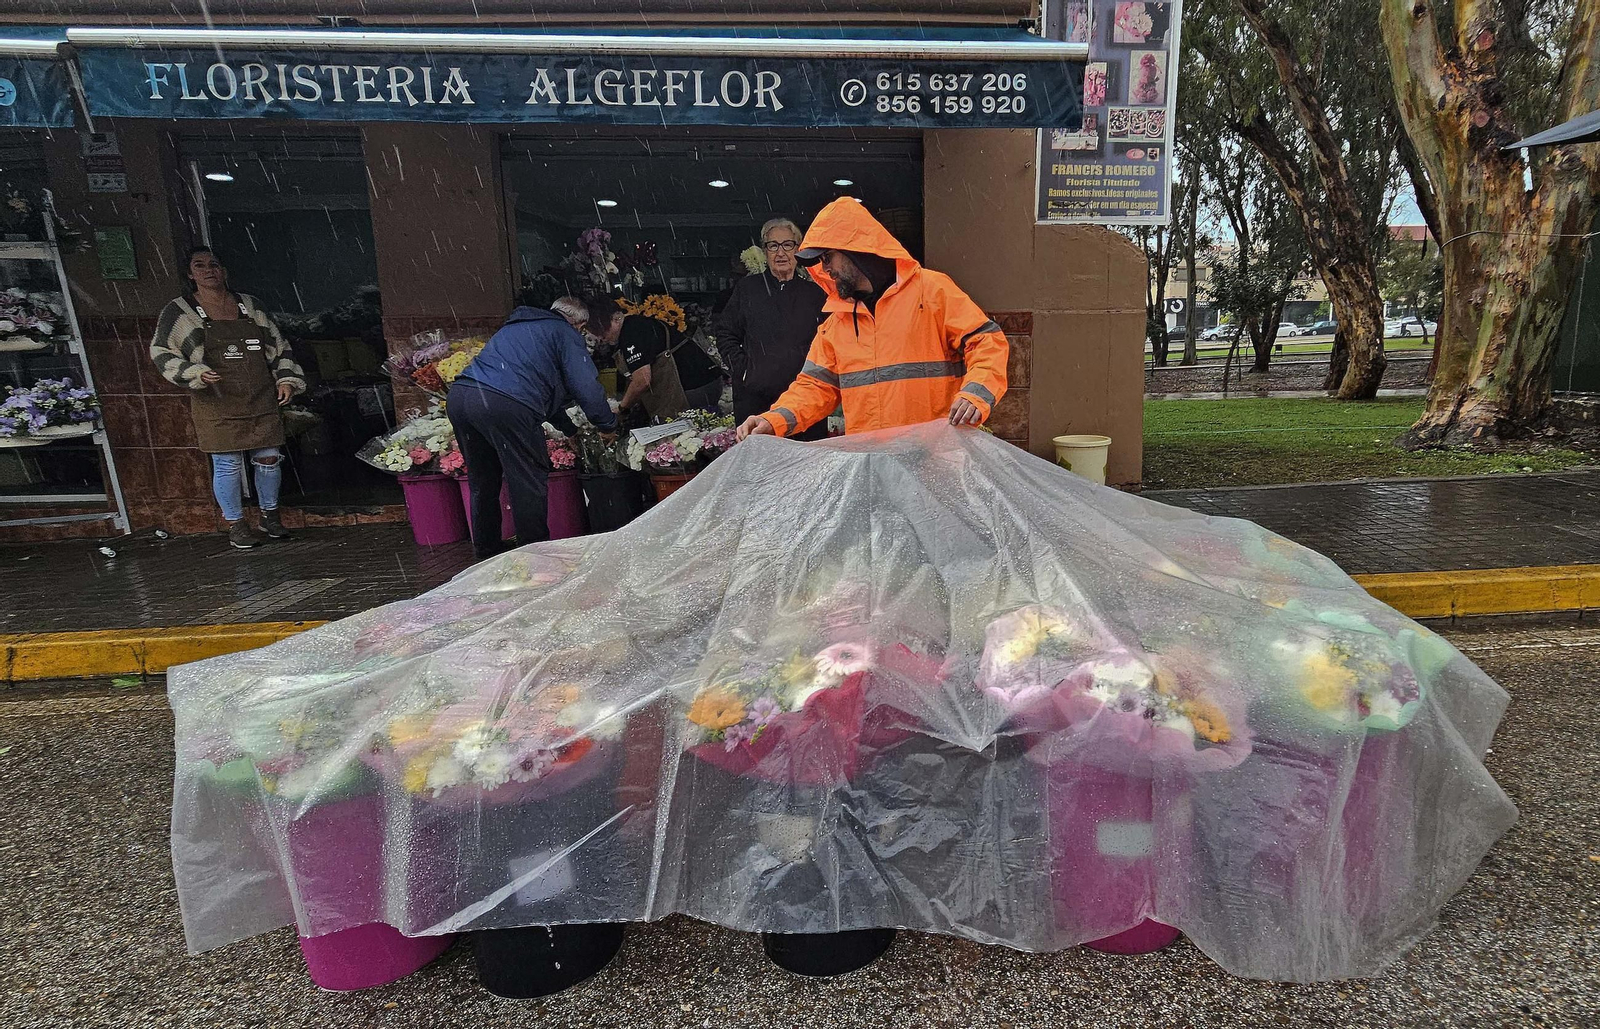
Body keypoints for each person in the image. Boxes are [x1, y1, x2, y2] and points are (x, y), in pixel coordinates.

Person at [736, 198, 1008, 442]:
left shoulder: (932, 291)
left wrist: (975, 394)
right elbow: (815, 387)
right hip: (871, 462)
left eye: (827, 257)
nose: (825, 269)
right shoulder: (838, 319)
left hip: (932, 458)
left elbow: (986, 342)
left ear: (854, 250)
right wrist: (773, 420)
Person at [150, 246, 305, 550]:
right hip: (216, 400)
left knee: (269, 459)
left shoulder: (250, 305)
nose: (209, 270)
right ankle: (236, 525)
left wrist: (286, 379)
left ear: (224, 271)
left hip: (260, 395)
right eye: (200, 265)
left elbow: (278, 346)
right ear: (190, 274)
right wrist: (195, 372)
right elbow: (161, 351)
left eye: (214, 264)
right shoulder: (179, 311)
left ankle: (270, 516)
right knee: (227, 464)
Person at [448, 304, 617, 562]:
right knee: (527, 480)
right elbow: (585, 386)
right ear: (579, 324)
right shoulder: (564, 332)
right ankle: (535, 556)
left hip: (461, 397)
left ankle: (486, 551)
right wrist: (607, 424)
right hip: (504, 403)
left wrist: (569, 429)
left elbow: (536, 387)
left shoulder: (514, 328)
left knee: (483, 481)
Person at [715, 218, 829, 442]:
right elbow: (725, 333)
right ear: (765, 251)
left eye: (788, 245)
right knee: (760, 461)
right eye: (773, 245)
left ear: (798, 250)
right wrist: (744, 370)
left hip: (804, 400)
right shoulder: (748, 289)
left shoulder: (815, 293)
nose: (781, 253)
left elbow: (828, 341)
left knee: (805, 461)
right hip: (756, 400)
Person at [589, 298, 725, 421]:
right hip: (706, 381)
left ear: (616, 318)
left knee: (689, 429)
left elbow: (642, 380)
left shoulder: (632, 331)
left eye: (602, 330)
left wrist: (621, 408)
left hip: (693, 387)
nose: (600, 337)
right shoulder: (636, 325)